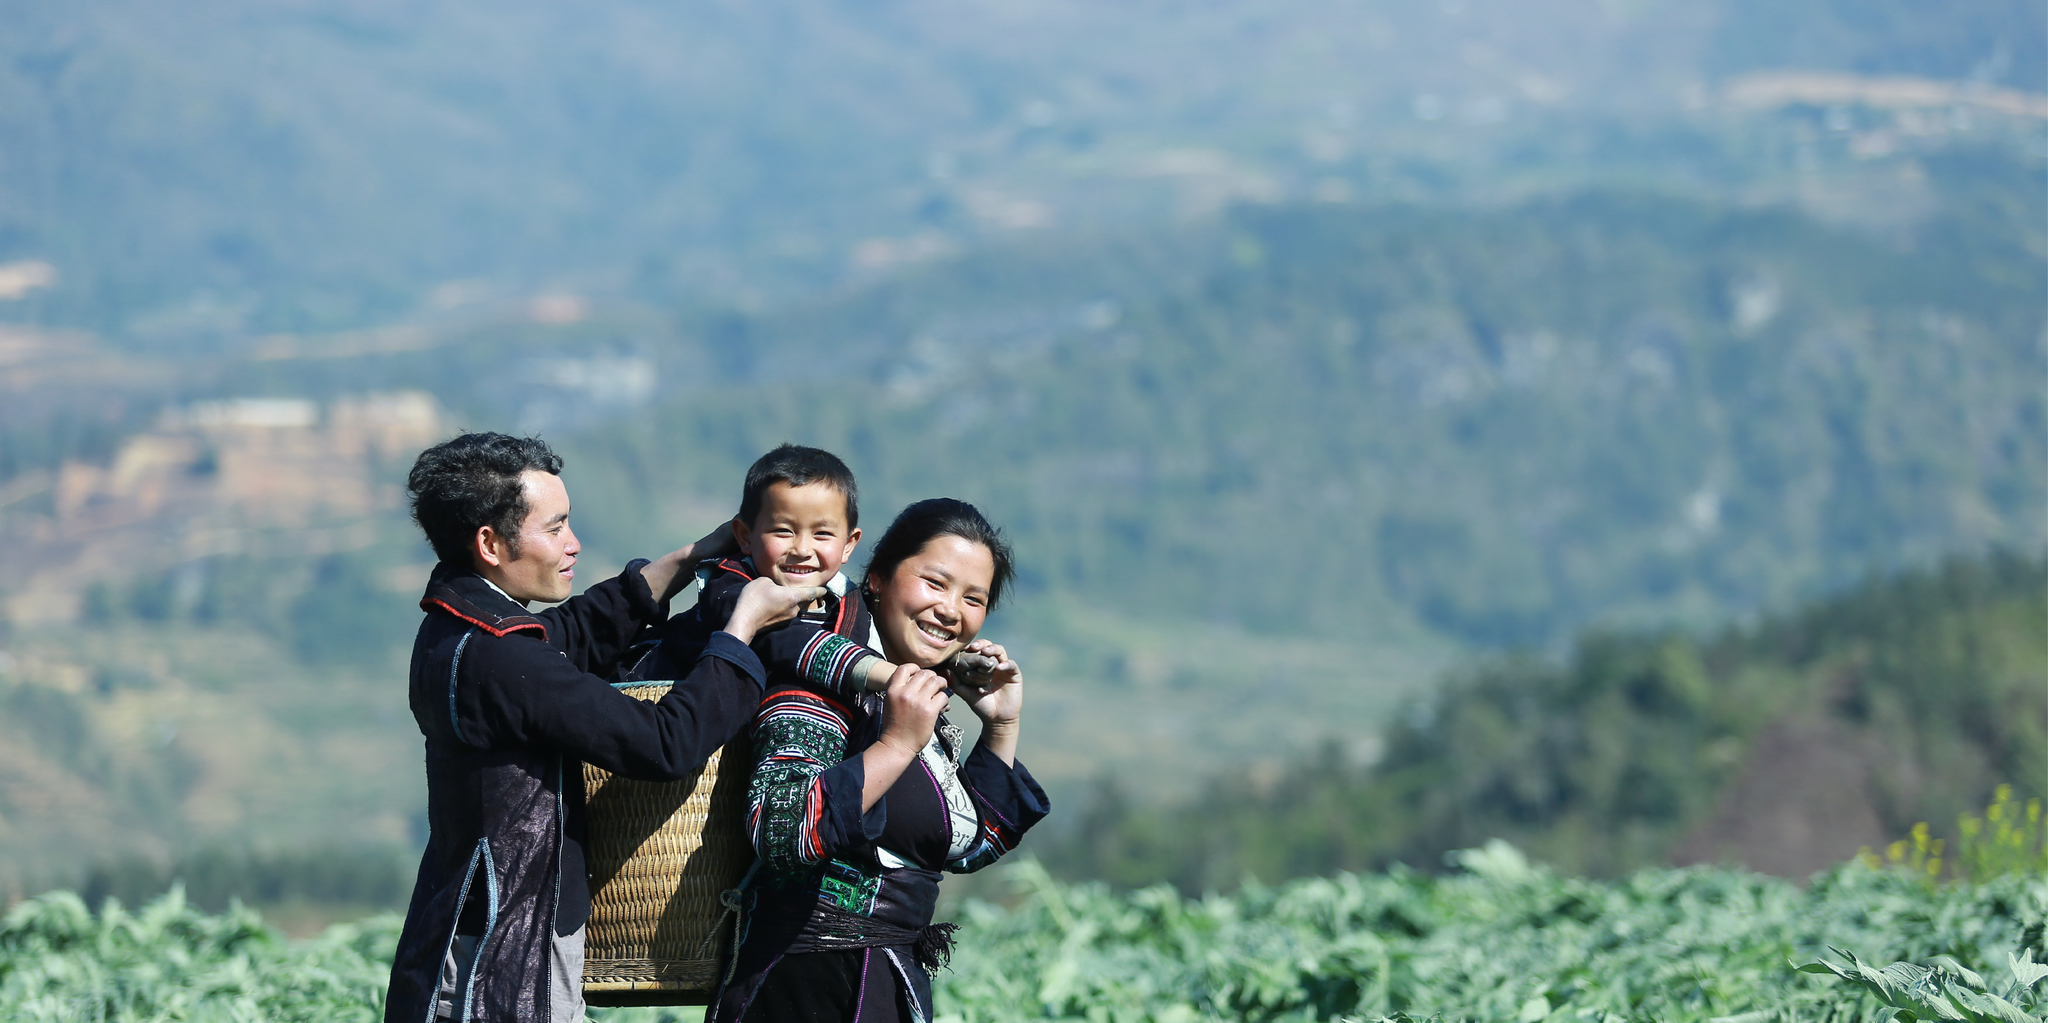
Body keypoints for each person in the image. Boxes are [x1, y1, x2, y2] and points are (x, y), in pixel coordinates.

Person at [384, 432, 824, 1023]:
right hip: (500, 966)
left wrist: (684, 561)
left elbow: (566, 638)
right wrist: (739, 635)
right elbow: (664, 744)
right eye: (554, 527)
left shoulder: (456, 627)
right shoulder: (499, 656)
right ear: (490, 543)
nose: (573, 543)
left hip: (467, 942)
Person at [710, 498, 1051, 1023]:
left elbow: (964, 848)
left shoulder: (919, 706)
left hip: (886, 985)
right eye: (935, 584)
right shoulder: (817, 685)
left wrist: (1001, 726)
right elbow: (779, 831)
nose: (951, 611)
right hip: (801, 989)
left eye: (973, 599)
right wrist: (894, 747)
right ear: (877, 579)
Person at [629, 444, 894, 697]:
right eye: (783, 531)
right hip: (649, 699)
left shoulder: (848, 603)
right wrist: (879, 673)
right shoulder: (730, 587)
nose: (802, 549)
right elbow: (784, 640)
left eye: (822, 534)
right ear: (745, 536)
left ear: (848, 545)